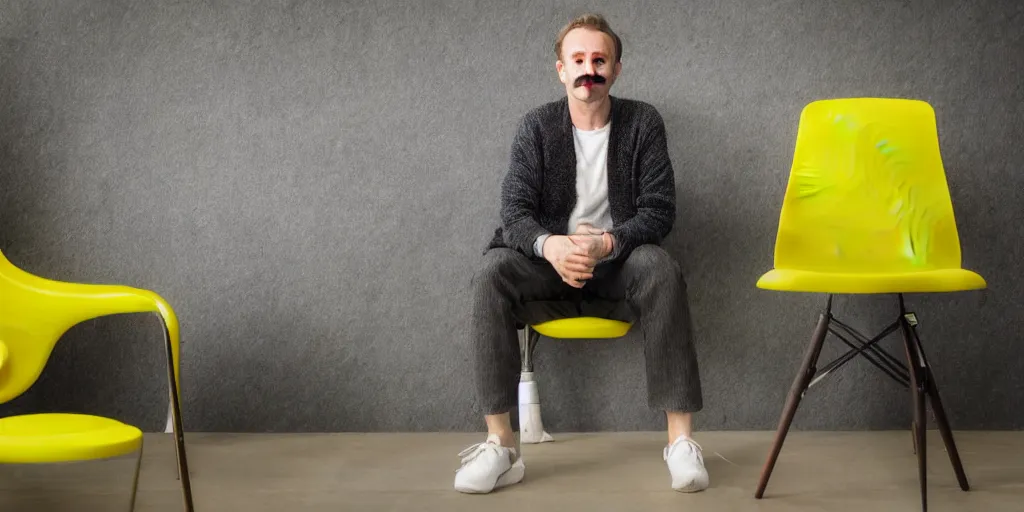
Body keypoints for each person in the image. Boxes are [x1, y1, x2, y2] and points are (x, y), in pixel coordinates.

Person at [454, 13, 707, 494]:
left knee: (660, 265)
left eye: (599, 59)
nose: (588, 69)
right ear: (561, 70)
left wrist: (606, 243)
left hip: (618, 270)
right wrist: (552, 246)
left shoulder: (642, 122)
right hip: (548, 270)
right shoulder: (536, 127)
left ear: (615, 69)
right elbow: (515, 211)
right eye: (579, 59)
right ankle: (502, 448)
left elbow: (659, 211)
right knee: (492, 271)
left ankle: (681, 444)